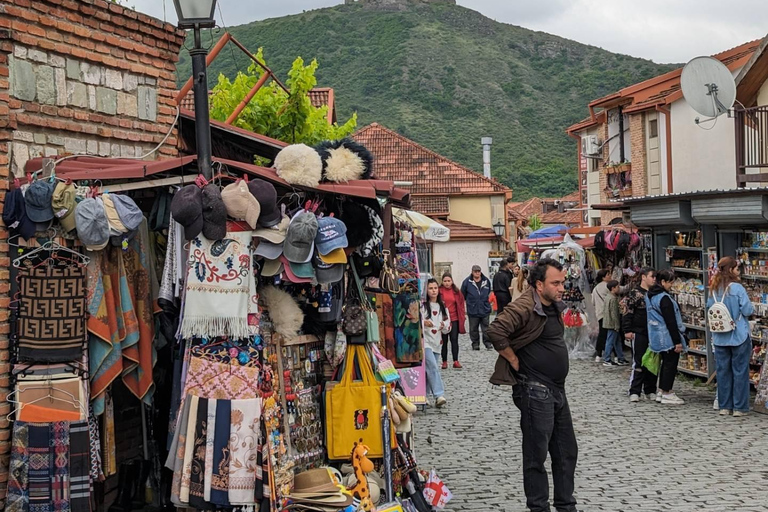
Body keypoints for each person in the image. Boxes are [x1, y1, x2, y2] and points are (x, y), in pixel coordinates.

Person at [487, 258, 578, 512]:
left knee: (566, 451)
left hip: (557, 390)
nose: (561, 288)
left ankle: (566, 505)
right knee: (536, 455)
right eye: (556, 283)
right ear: (539, 285)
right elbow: (496, 331)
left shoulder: (552, 305)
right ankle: (539, 508)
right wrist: (513, 358)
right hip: (535, 390)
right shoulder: (525, 305)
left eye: (563, 282)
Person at [707, 256, 754, 417]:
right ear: (731, 270)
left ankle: (724, 406)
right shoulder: (737, 289)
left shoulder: (714, 288)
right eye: (736, 268)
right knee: (740, 371)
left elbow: (709, 308)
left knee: (723, 371)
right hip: (738, 334)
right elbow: (747, 310)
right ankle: (740, 407)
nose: (738, 271)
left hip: (719, 336)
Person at [646, 269, 686, 405]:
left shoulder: (650, 295)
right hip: (667, 335)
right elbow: (671, 321)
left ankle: (661, 391)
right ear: (663, 282)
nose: (671, 285)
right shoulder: (664, 298)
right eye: (670, 282)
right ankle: (667, 391)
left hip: (655, 334)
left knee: (664, 363)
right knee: (670, 364)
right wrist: (677, 341)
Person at [622, 267, 658, 402]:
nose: (654, 279)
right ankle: (635, 390)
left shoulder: (655, 293)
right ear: (643, 277)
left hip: (654, 332)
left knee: (653, 361)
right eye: (651, 276)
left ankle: (650, 389)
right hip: (639, 331)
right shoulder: (634, 293)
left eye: (655, 277)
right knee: (639, 361)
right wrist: (627, 330)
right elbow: (627, 311)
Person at [422, 278, 450, 408]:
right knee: (432, 366)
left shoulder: (443, 307)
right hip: (425, 341)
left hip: (437, 342)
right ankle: (439, 394)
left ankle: (424, 395)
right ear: (426, 290)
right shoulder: (422, 306)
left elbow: (448, 326)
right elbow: (416, 321)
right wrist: (424, 323)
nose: (433, 291)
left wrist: (444, 325)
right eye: (430, 288)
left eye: (435, 288)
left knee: (429, 370)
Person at [461, 265, 493, 351]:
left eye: (478, 271)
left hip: (484, 308)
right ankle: (475, 344)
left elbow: (489, 291)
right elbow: (463, 294)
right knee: (473, 329)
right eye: (475, 271)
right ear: (472, 272)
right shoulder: (467, 282)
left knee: (486, 328)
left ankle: (488, 343)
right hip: (473, 309)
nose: (477, 273)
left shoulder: (486, 281)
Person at [439, 273, 466, 369]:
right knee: (444, 341)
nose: (447, 283)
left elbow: (461, 304)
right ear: (442, 282)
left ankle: (456, 360)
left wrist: (462, 316)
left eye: (448, 281)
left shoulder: (456, 291)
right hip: (443, 319)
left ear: (452, 281)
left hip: (454, 319)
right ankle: (444, 361)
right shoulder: (439, 291)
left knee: (454, 340)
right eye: (445, 281)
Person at [602, 280, 630, 367]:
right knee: (610, 341)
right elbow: (614, 314)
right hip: (612, 324)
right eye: (618, 287)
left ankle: (620, 357)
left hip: (610, 322)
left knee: (617, 341)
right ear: (613, 288)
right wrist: (616, 325)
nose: (619, 288)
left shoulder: (609, 297)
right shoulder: (613, 299)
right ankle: (607, 359)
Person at [592, 269, 611, 363]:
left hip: (599, 313)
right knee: (610, 333)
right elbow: (620, 290)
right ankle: (610, 354)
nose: (610, 276)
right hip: (607, 313)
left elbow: (593, 302)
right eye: (608, 274)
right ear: (603, 277)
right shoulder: (607, 286)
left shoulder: (595, 288)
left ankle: (599, 354)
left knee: (602, 333)